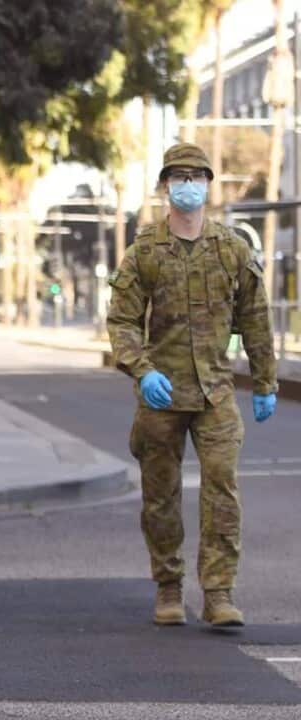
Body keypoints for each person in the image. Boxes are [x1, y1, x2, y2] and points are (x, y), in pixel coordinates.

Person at [107, 142, 277, 628]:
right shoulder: (145, 252)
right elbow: (120, 321)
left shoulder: (231, 249)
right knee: (160, 495)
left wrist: (264, 381)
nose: (187, 185)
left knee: (222, 490)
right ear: (164, 186)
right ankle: (168, 587)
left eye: (196, 176)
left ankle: (219, 593)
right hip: (161, 394)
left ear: (208, 184)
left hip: (216, 393)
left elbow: (256, 318)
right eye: (178, 177)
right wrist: (142, 370)